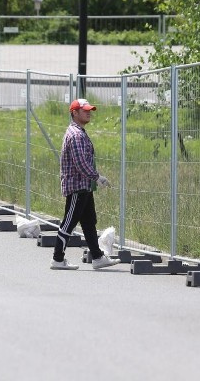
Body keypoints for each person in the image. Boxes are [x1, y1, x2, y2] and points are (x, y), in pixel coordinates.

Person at [51, 98, 119, 271]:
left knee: (89, 222)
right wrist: (97, 177)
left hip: (84, 185)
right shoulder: (76, 135)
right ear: (74, 113)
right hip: (77, 186)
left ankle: (97, 257)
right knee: (69, 222)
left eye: (90, 110)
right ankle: (57, 259)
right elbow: (80, 162)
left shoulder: (79, 132)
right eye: (85, 110)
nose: (89, 112)